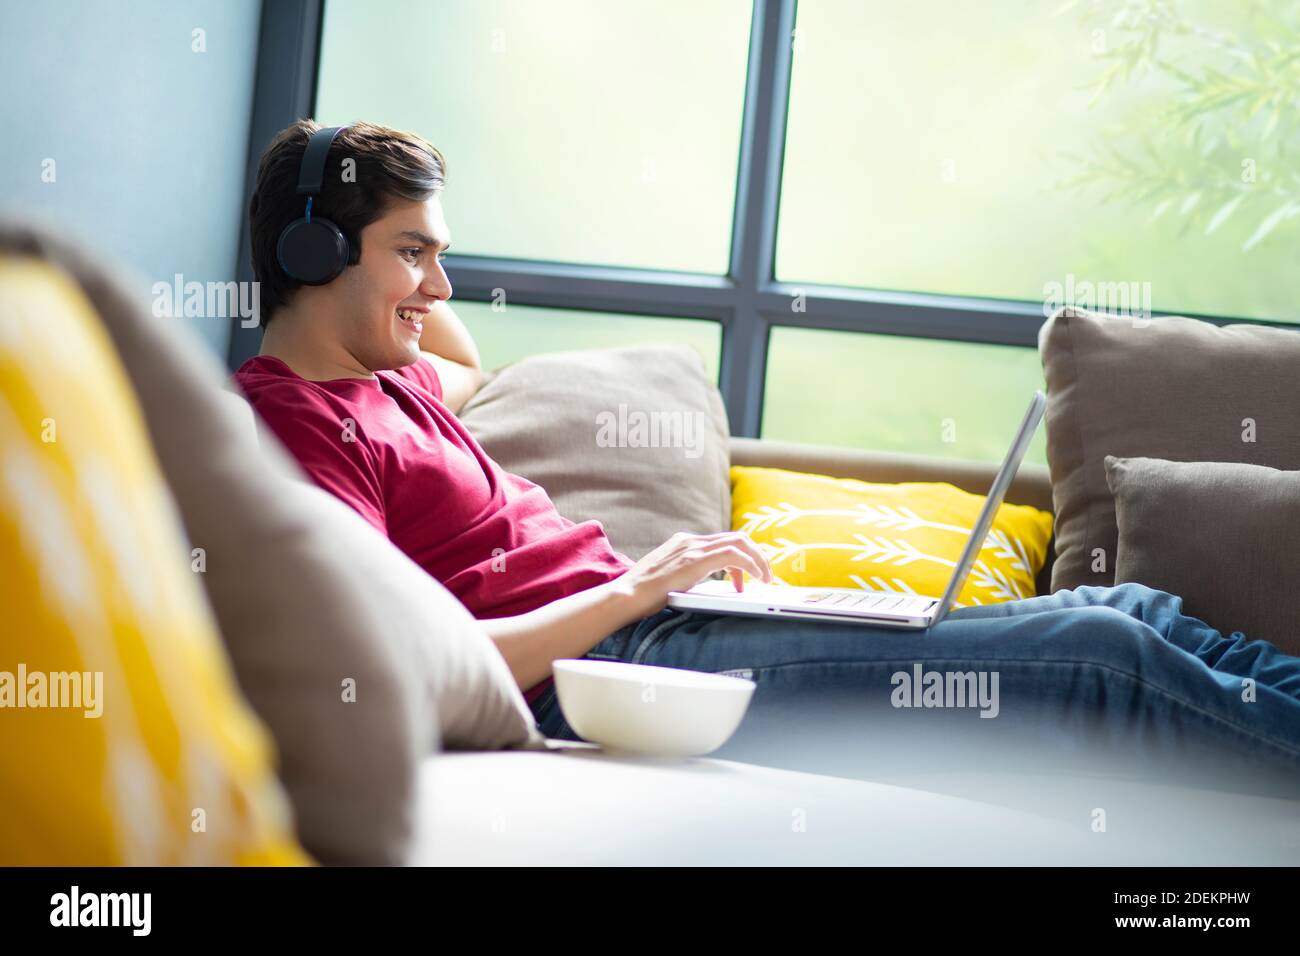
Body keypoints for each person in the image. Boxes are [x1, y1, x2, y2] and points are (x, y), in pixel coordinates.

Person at [234, 120, 1300, 787]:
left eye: (440, 253)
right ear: (313, 254)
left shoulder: (389, 379)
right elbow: (391, 663)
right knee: (1098, 660)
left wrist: (389, 273)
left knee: (1130, 610)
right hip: (609, 669)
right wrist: (637, 587)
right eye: (412, 253)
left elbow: (447, 343)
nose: (440, 287)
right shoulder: (290, 428)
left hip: (665, 620)